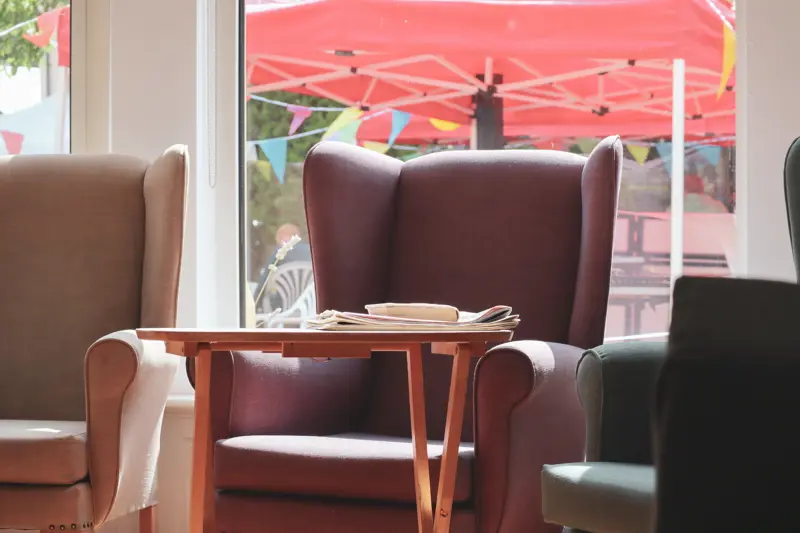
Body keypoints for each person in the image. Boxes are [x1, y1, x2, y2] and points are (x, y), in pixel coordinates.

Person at [253, 223, 312, 312]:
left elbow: (264, 283)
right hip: (309, 307)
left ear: (281, 237)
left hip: (282, 309)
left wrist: (254, 305)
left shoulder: (280, 252)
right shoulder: (312, 251)